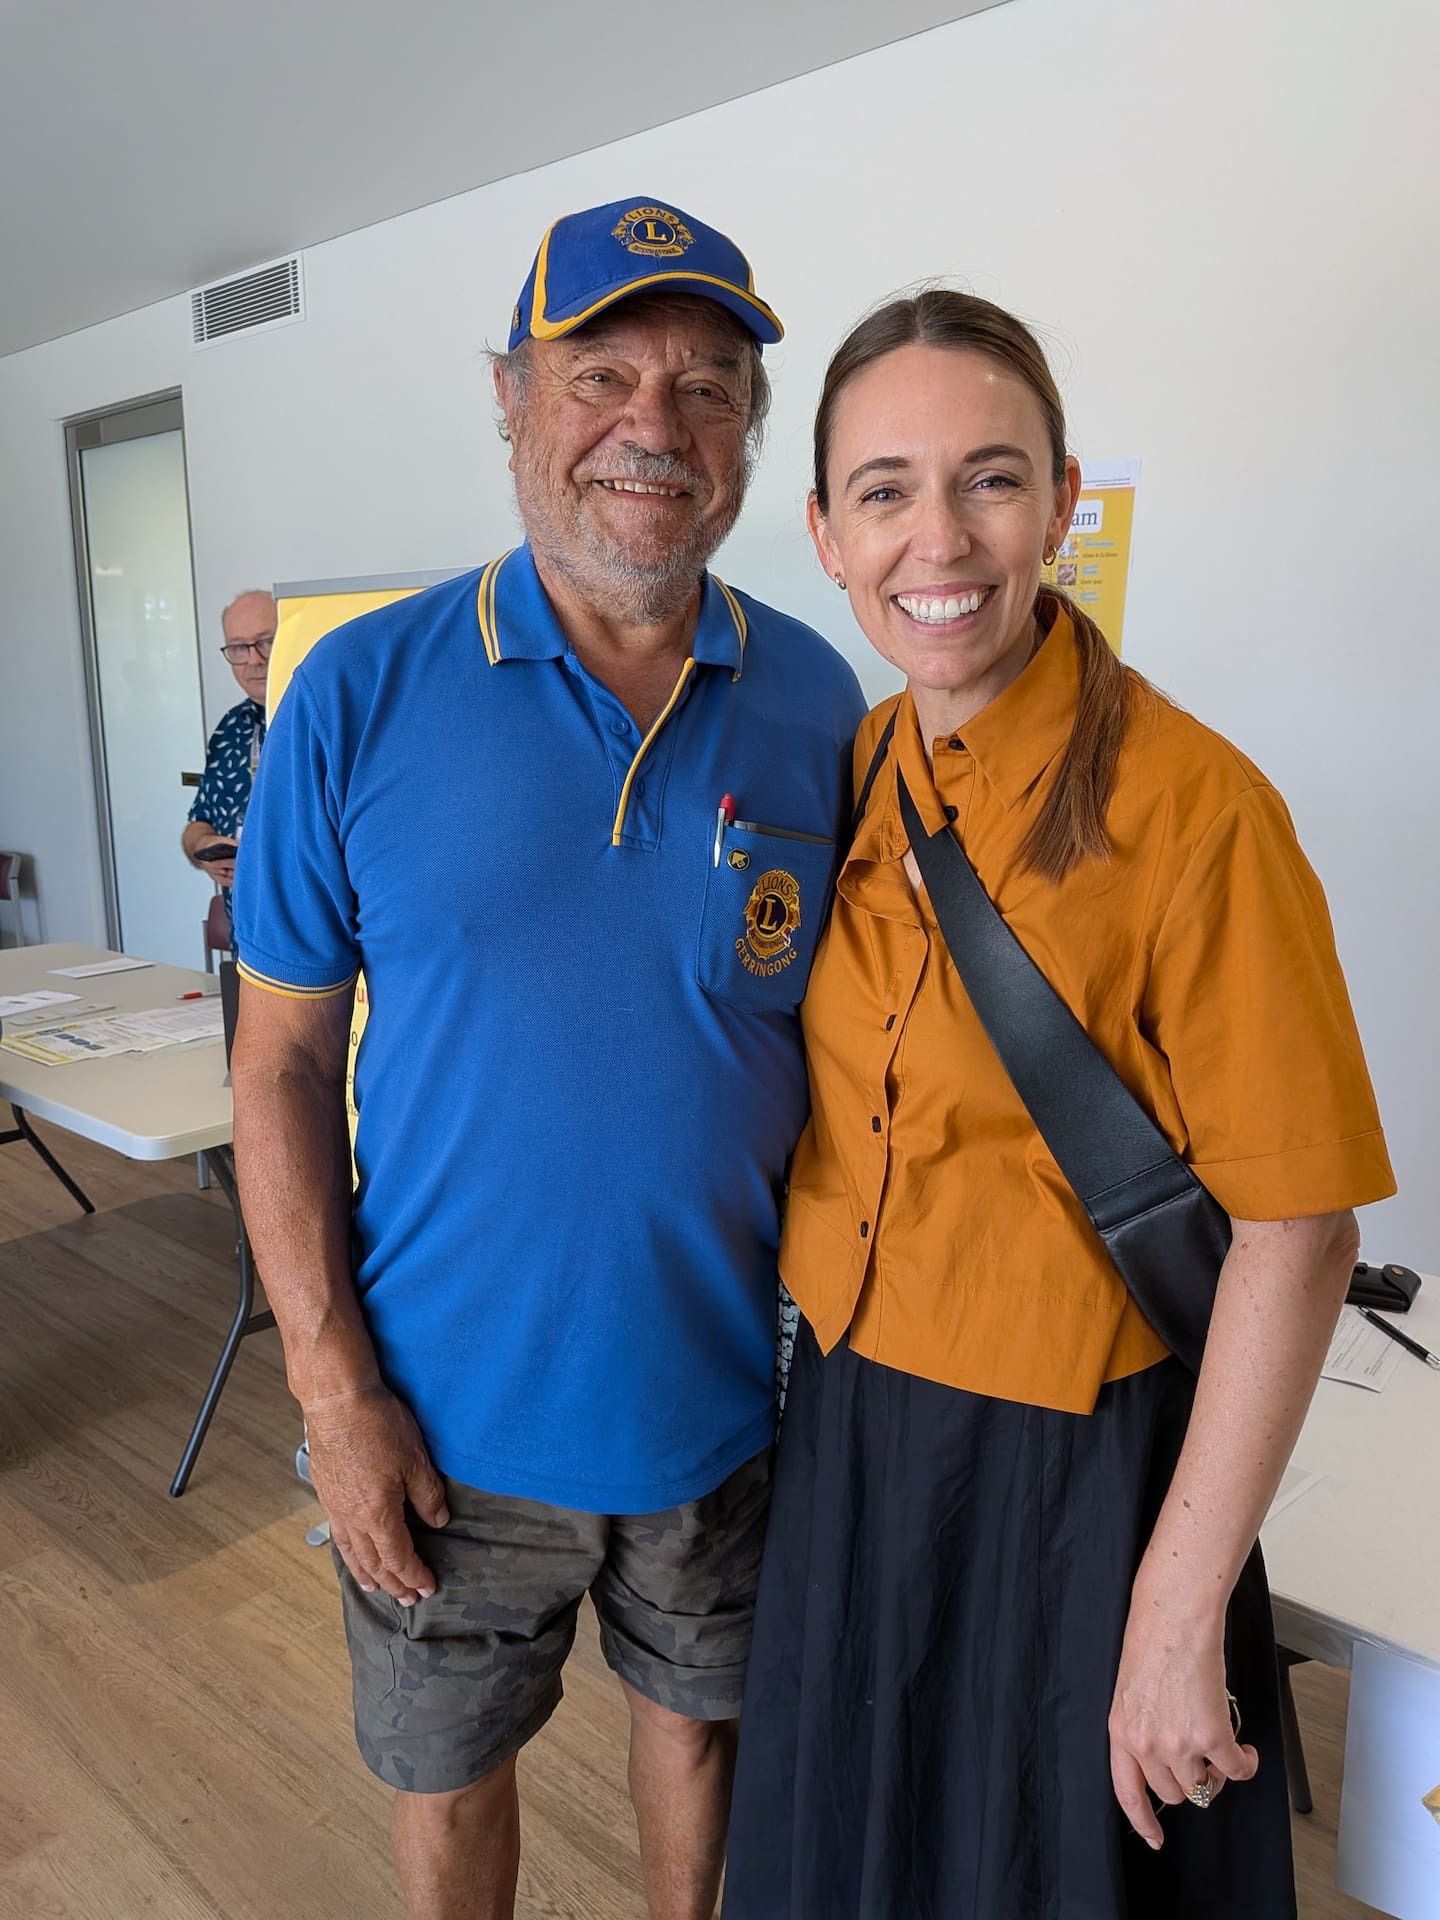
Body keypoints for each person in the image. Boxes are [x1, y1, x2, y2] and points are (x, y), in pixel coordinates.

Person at [721, 291, 1396, 1919]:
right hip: (853, 1436)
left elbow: (1300, 1232)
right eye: (884, 489)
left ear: (1063, 500)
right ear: (822, 531)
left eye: (991, 478)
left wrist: (1175, 1611)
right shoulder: (849, 775)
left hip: (1071, 1482)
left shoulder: (1193, 809)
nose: (937, 536)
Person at [229, 196, 865, 1920]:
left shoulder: (822, 706)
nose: (654, 427)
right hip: (440, 1421)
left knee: (706, 1745)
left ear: (748, 435)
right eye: (602, 374)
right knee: (448, 1791)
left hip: (728, 1404)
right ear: (510, 400)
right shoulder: (356, 694)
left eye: (709, 387)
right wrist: (333, 1394)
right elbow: (279, 1064)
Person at [182, 588, 275, 922]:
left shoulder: (327, 721)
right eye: (239, 647)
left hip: (317, 942)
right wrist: (204, 849)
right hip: (246, 935)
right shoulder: (231, 728)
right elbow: (198, 820)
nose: (254, 660)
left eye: (266, 641)